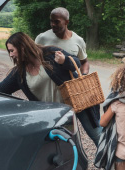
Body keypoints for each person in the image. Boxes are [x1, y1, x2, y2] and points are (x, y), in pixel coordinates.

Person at [35, 7, 102, 146]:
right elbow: (34, 61)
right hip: (55, 98)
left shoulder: (78, 40)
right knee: (64, 136)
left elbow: (84, 63)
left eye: (57, 22)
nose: (53, 24)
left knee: (96, 133)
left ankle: (111, 161)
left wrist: (83, 77)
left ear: (67, 22)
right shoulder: (42, 38)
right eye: (51, 21)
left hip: (77, 95)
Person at [0, 31, 81, 107]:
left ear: (22, 47)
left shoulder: (50, 52)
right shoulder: (19, 72)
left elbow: (77, 63)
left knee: (92, 126)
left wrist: (64, 61)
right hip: (53, 116)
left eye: (12, 51)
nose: (10, 55)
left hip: (77, 102)